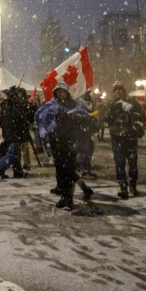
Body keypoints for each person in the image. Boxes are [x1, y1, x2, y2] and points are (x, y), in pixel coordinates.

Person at [36, 82, 94, 210]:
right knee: (60, 171)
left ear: (67, 93)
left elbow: (85, 117)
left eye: (63, 91)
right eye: (58, 92)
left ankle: (68, 199)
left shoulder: (75, 105)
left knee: (68, 170)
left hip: (69, 141)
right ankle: (66, 195)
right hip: (56, 142)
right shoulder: (51, 105)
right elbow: (39, 116)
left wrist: (70, 117)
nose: (61, 94)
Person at [102, 81, 145, 199]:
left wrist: (130, 111)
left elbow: (142, 116)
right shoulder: (111, 104)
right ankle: (123, 188)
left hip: (130, 137)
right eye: (115, 90)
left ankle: (133, 185)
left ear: (124, 91)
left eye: (120, 89)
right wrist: (113, 110)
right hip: (117, 138)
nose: (118, 92)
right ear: (113, 93)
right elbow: (104, 117)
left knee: (133, 163)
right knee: (120, 163)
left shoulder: (132, 102)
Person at [0, 86, 28, 179]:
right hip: (13, 134)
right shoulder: (11, 106)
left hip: (9, 133)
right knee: (13, 154)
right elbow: (20, 119)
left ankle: (18, 172)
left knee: (16, 154)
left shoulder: (6, 106)